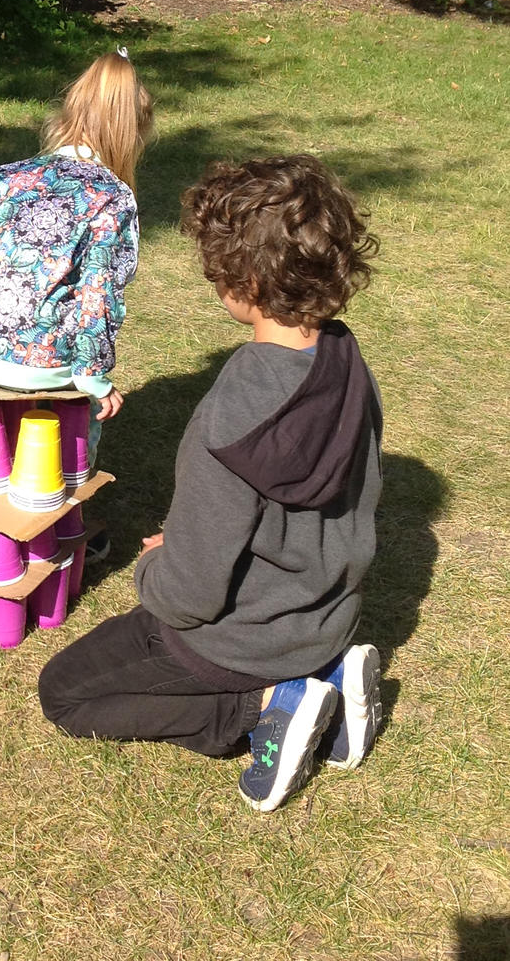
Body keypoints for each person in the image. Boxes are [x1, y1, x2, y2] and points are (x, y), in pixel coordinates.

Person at [38, 154, 384, 812]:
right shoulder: (345, 360)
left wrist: (155, 566)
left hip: (240, 642)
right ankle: (329, 675)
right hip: (325, 618)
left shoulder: (228, 418)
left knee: (67, 693)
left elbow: (189, 597)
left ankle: (268, 707)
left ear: (243, 280)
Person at [0, 48, 153, 553]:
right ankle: (62, 514)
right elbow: (99, 291)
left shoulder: (6, 176)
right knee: (79, 412)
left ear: (65, 116)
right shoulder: (112, 197)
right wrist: (93, 380)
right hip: (40, 366)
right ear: (135, 133)